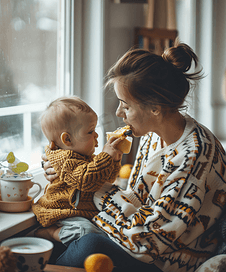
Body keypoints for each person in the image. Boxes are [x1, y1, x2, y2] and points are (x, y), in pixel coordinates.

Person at [42, 41, 226, 272]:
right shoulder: (153, 136)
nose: (119, 113)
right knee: (65, 239)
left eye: (125, 106)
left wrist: (87, 183)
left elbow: (149, 240)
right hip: (141, 240)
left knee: (89, 244)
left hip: (170, 259)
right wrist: (67, 168)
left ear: (155, 109)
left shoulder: (194, 156)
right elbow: (137, 201)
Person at [32, 96, 122, 245]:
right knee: (86, 232)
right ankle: (51, 232)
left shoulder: (84, 157)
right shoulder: (65, 159)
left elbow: (104, 180)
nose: (96, 135)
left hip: (84, 213)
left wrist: (114, 160)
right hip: (63, 213)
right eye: (90, 131)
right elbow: (86, 180)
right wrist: (105, 156)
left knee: (108, 233)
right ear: (67, 140)